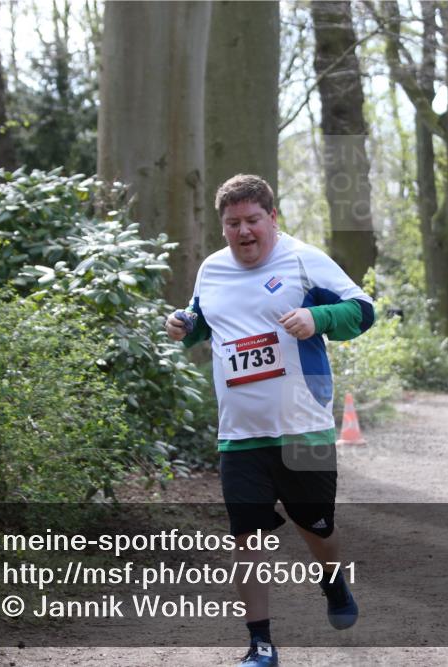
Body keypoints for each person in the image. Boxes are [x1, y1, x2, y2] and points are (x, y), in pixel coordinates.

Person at [165, 174, 373, 667]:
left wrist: (317, 319)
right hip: (239, 434)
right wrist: (184, 323)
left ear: (272, 218)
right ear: (223, 227)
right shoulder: (212, 270)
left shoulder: (303, 259)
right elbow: (201, 318)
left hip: (302, 425)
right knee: (246, 537)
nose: (243, 232)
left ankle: (333, 582)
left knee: (316, 526)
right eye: (232, 223)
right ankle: (260, 645)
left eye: (252, 220)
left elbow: (363, 311)